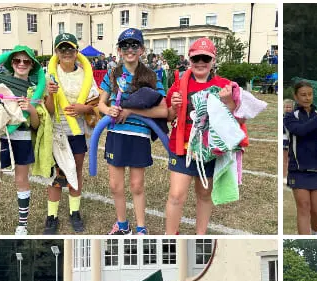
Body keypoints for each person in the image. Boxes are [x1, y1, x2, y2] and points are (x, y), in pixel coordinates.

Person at [164, 38, 241, 235]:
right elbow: (168, 116)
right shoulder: (179, 84)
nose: (200, 62)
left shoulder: (224, 85)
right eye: (196, 58)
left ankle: (200, 236)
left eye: (205, 58)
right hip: (182, 148)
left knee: (205, 193)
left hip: (209, 150)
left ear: (213, 60)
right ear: (189, 59)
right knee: (176, 195)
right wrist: (174, 107)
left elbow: (237, 120)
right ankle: (170, 236)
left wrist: (228, 102)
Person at [98, 29, 167, 235]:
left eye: (134, 45)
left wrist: (131, 111)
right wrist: (108, 110)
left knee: (137, 185)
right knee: (115, 185)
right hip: (116, 135)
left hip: (139, 136)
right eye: (125, 45)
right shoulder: (113, 74)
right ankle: (122, 225)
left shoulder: (151, 76)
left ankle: (141, 228)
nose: (130, 49)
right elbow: (100, 104)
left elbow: (163, 110)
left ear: (142, 50)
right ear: (119, 50)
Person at [0, 46, 42, 235]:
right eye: (17, 60)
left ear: (32, 65)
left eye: (26, 61)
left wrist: (31, 110)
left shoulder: (35, 89)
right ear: (11, 63)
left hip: (22, 138)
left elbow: (36, 125)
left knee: (21, 180)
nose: (21, 64)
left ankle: (22, 226)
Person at [43, 33, 99, 234]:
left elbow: (95, 103)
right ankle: (52, 216)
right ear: (56, 52)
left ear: (76, 52)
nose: (66, 53)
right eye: (62, 49)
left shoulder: (86, 74)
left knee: (76, 171)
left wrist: (84, 108)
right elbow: (49, 109)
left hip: (78, 131)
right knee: (56, 175)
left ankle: (74, 212)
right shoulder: (48, 75)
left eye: (70, 49)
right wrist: (51, 94)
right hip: (57, 131)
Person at [284, 81, 317, 234]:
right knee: (304, 208)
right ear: (296, 97)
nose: (307, 98)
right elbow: (301, 130)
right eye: (303, 95)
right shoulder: (290, 116)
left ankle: (315, 233)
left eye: (310, 94)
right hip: (298, 170)